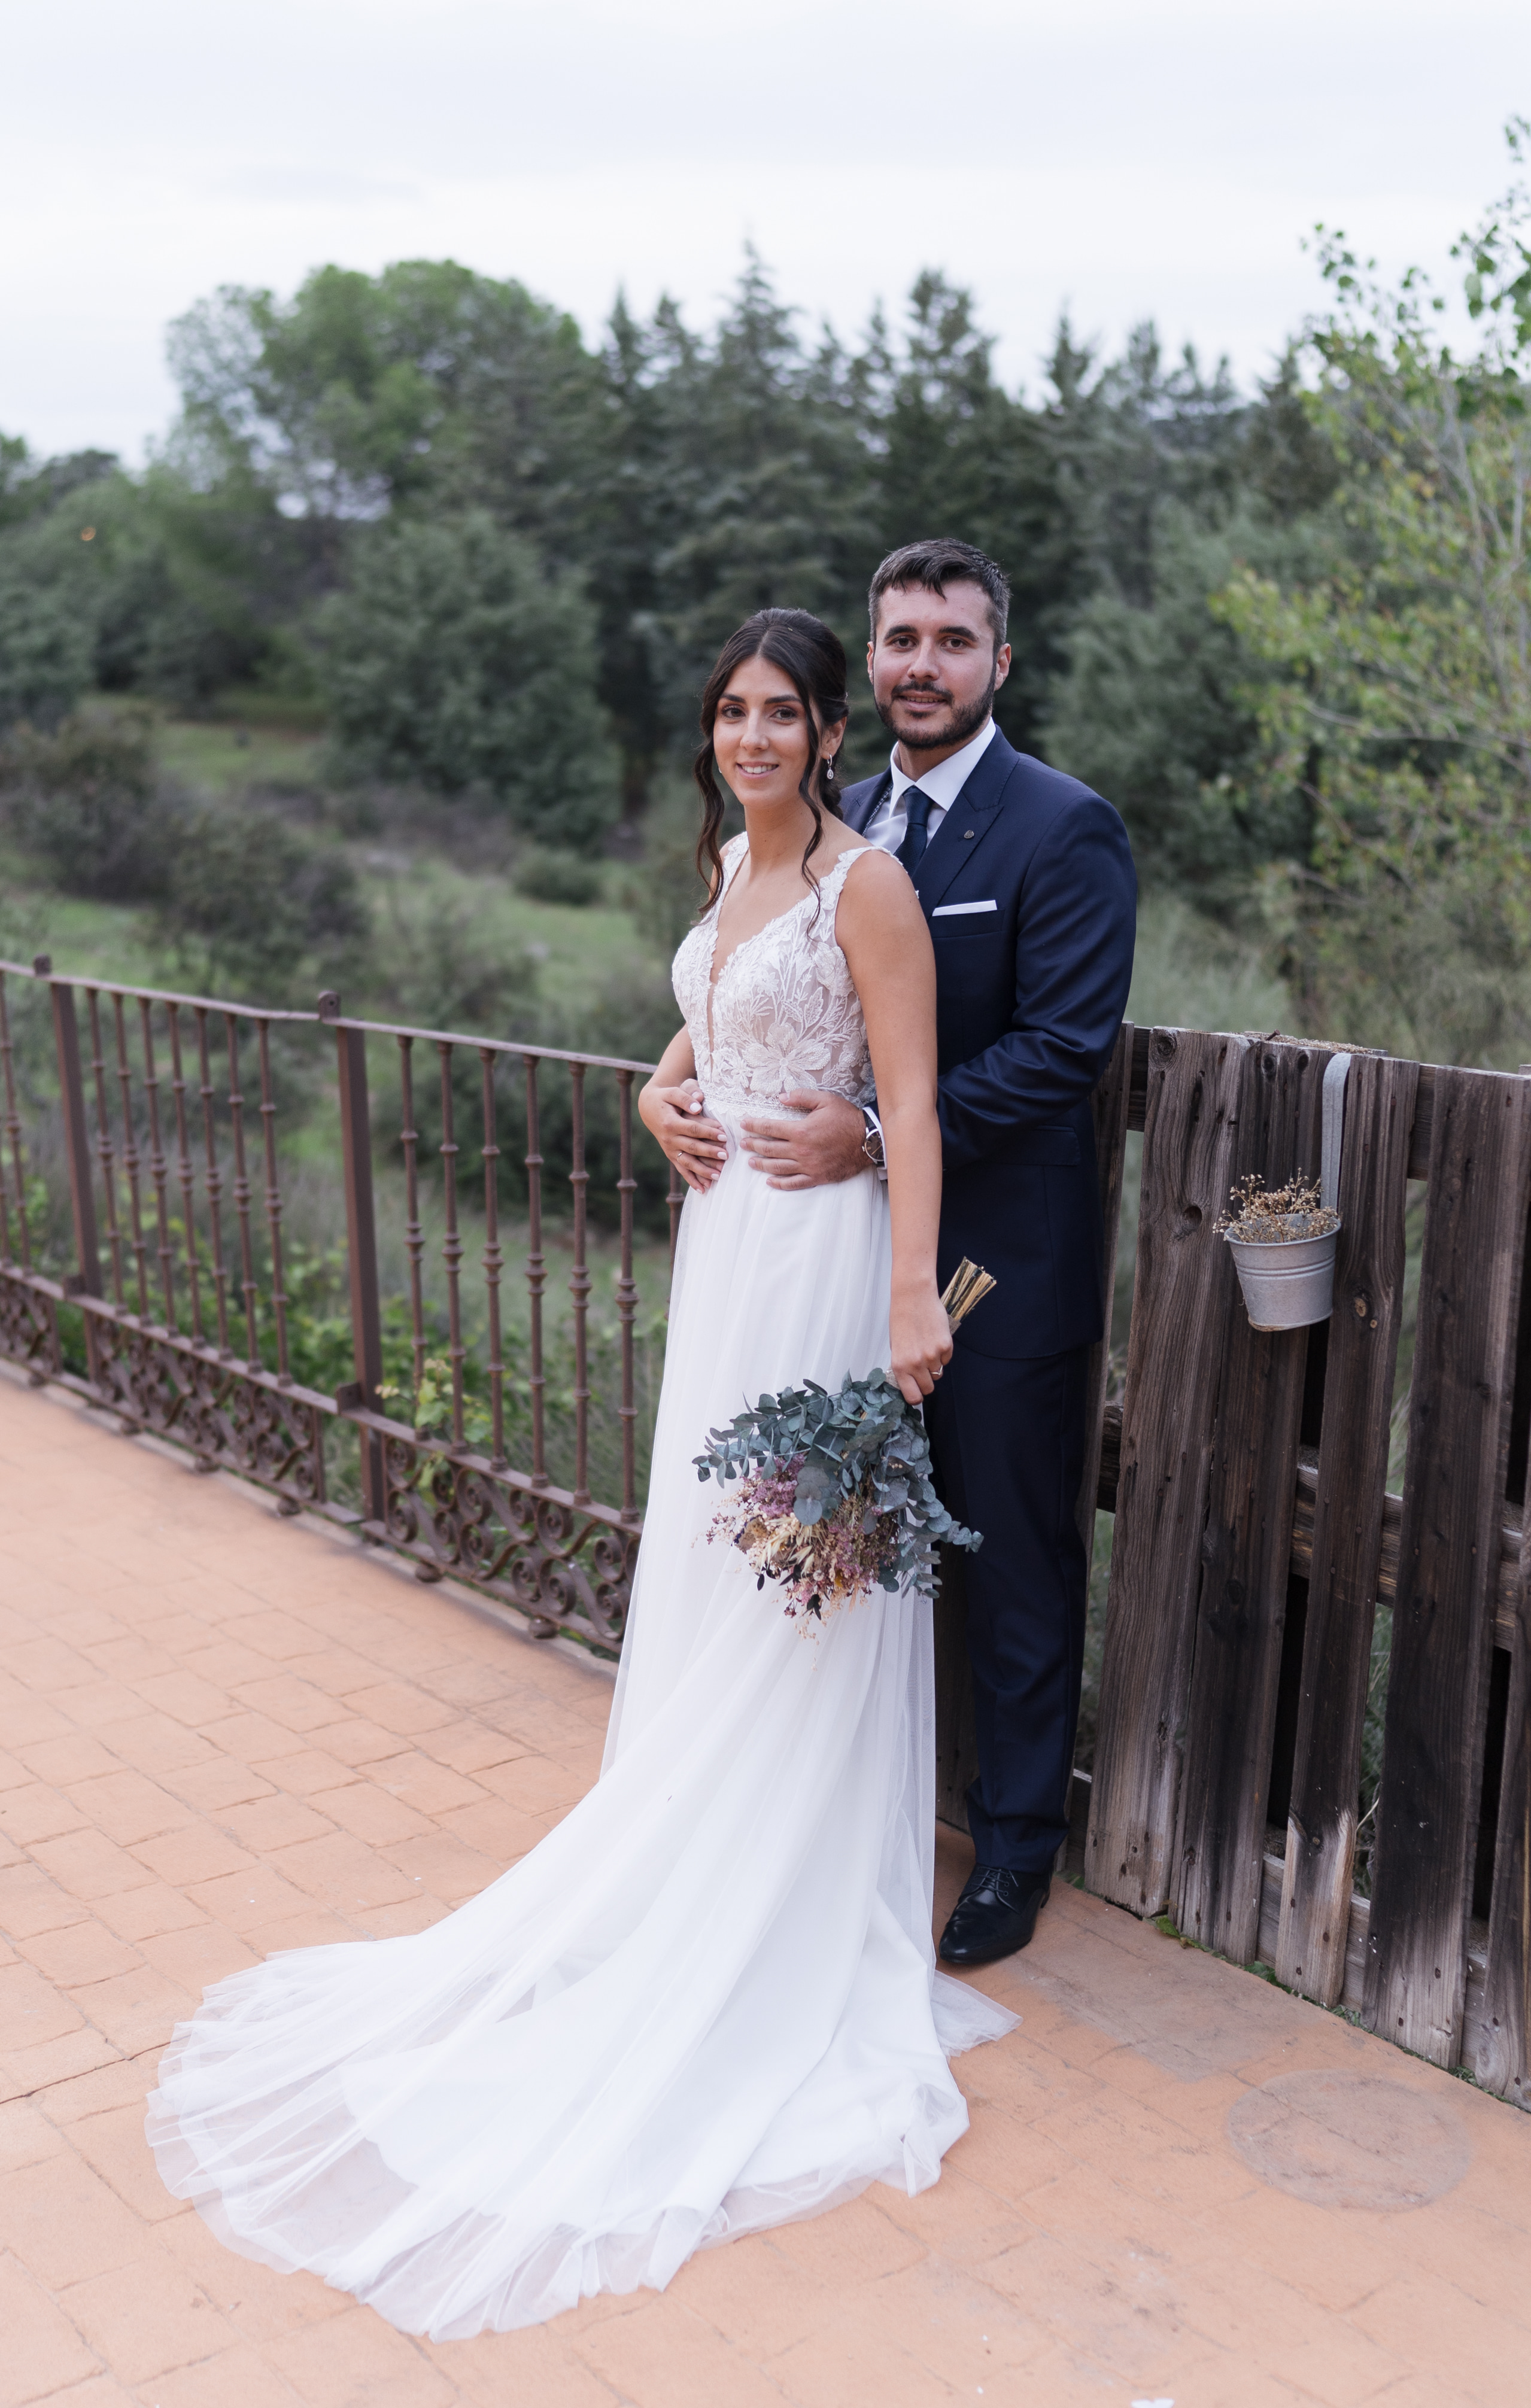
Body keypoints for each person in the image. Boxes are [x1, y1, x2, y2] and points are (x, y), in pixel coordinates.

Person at [145, 607, 1016, 2342]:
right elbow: (705, 1036)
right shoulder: (732, 878)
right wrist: (647, 1097)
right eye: (732, 711)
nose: (753, 735)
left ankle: (773, 1894)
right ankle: (684, 1862)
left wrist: (914, 1292)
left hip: (824, 1264)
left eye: (782, 712)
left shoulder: (866, 889)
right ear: (713, 734)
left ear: (826, 733)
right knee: (711, 1565)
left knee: (797, 1581)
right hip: (727, 1259)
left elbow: (909, 1106)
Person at [671, 542, 1137, 1970]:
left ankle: (1012, 1850)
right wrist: (661, 1087)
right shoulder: (839, 812)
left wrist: (869, 1133)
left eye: (951, 639)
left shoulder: (1063, 826)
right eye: (899, 639)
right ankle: (826, 1811)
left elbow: (1062, 1047)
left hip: (996, 1264)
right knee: (814, 1533)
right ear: (867, 665)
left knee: (1007, 1552)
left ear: (1002, 658)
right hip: (818, 1264)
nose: (921, 664)